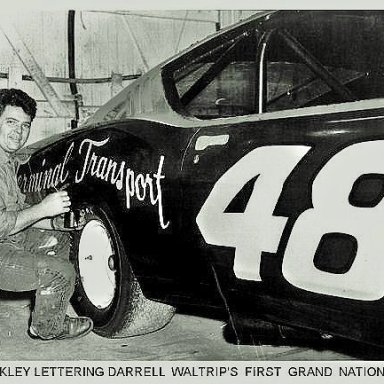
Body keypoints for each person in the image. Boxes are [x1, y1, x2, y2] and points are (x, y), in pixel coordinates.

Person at [0, 88, 93, 340]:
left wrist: (53, 222)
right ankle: (47, 327)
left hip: (10, 240)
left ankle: (46, 312)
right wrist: (44, 208)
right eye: (11, 122)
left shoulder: (7, 161)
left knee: (60, 238)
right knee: (62, 273)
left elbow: (18, 213)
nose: (18, 132)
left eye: (25, 125)